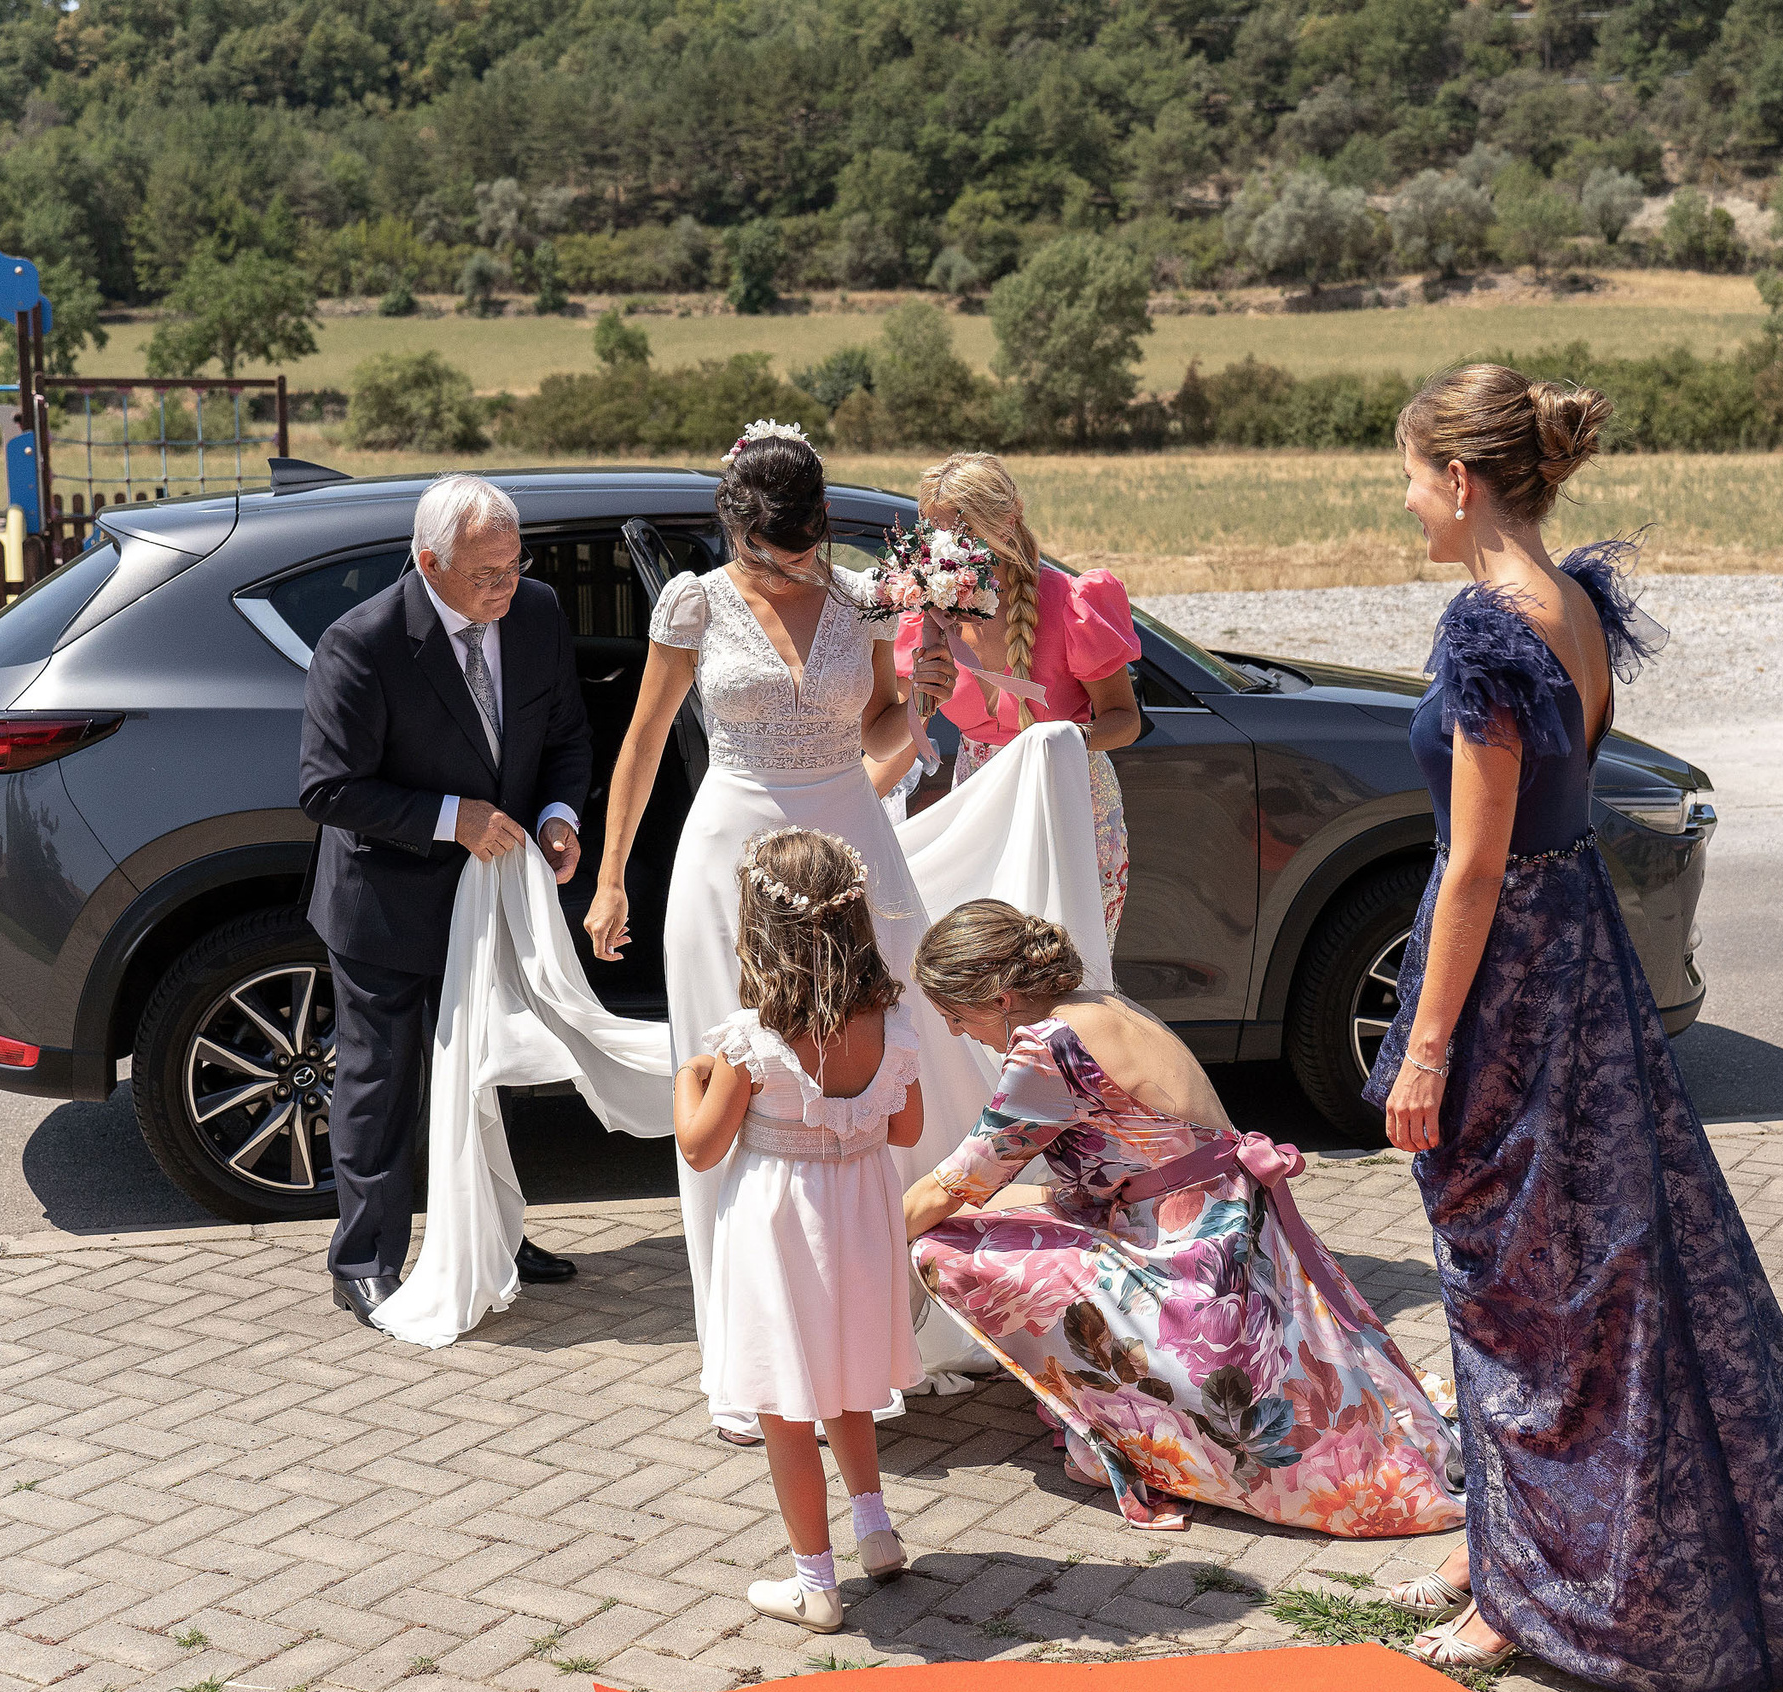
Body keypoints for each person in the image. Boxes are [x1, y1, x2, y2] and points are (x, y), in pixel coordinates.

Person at [1364, 364, 1783, 1692]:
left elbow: (1473, 866)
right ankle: (1515, 1540)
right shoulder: (1573, 604)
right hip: (1581, 949)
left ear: (1462, 482)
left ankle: (1521, 1590)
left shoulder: (1488, 628)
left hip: (1512, 979)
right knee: (1597, 1265)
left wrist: (1423, 1048)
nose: (1404, 500)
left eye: (1411, 476)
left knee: (1519, 1276)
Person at [584, 423, 1116, 1447]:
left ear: (820, 522)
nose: (787, 561)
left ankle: (872, 1339)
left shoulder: (866, 597)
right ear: (734, 528)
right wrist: (610, 880)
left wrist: (914, 710)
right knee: (735, 1094)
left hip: (849, 839)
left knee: (876, 1071)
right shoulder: (691, 601)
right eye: (766, 545)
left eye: (800, 540)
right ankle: (747, 1358)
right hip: (729, 855)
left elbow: (878, 725)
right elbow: (645, 741)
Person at [902, 900, 1467, 1538]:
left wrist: (869, 1240)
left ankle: (1126, 1424)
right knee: (997, 1214)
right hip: (1231, 1224)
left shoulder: (1047, 1049)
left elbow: (961, 1176)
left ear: (1002, 997)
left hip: (1189, 1255)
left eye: (956, 1015)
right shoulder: (1099, 1005)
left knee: (939, 1247)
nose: (954, 1031)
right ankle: (1104, 1410)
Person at [299, 473, 591, 1327]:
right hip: (386, 905)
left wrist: (559, 815)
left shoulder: (535, 612)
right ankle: (365, 1259)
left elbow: (566, 733)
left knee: (490, 1072)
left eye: (515, 565)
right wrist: (447, 818)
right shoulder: (361, 643)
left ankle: (491, 1236)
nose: (508, 587)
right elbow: (326, 790)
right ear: (429, 562)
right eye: (486, 574)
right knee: (380, 1084)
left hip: (496, 899)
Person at [675, 828, 923, 1632]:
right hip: (859, 1216)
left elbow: (701, 1146)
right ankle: (875, 1529)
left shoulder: (751, 1042)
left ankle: (815, 1582)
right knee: (844, 1375)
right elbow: (906, 1127)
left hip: (780, 1227)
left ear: (759, 929)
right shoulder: (886, 1022)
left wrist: (689, 1077)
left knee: (787, 1403)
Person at [893, 453, 1142, 941]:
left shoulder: (1071, 602)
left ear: (1006, 521)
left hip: (1069, 795)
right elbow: (898, 738)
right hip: (979, 802)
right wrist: (922, 692)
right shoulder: (932, 610)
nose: (946, 550)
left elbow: (1125, 721)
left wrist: (1060, 738)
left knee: (1068, 967)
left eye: (960, 533)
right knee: (984, 975)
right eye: (935, 534)